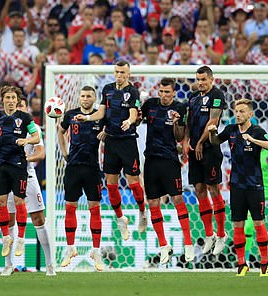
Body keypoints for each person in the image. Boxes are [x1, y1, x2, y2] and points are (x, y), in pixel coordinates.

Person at [76, 60, 146, 240]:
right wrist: (87, 117)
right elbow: (101, 112)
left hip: (128, 142)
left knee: (133, 182)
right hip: (111, 142)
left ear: (128, 74)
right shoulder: (107, 89)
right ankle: (121, 218)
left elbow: (132, 112)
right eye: (117, 72)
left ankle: (142, 212)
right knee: (111, 184)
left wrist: (130, 122)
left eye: (123, 72)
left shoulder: (132, 91)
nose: (119, 75)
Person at [208, 99, 268, 277]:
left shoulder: (257, 131)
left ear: (250, 114)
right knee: (237, 225)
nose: (238, 114)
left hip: (255, 186)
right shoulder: (231, 130)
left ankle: (264, 265)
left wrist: (253, 140)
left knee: (258, 224)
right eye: (236, 111)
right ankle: (241, 265)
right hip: (237, 186)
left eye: (241, 111)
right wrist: (212, 133)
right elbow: (216, 142)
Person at [0, 85, 40, 258]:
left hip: (19, 165)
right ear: (2, 100)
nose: (10, 101)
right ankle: (6, 238)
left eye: (13, 98)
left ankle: (21, 238)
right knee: (1, 202)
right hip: (2, 164)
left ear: (17, 101)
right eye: (8, 98)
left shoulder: (25, 117)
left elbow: (37, 137)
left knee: (19, 202)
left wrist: (26, 141)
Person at [0, 98, 55, 276]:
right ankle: (8, 265)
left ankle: (50, 264)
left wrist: (22, 161)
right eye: (16, 105)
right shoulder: (2, 125)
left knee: (38, 219)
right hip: (8, 176)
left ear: (26, 109)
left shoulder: (33, 128)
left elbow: (41, 152)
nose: (18, 108)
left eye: (21, 105)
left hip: (27, 175)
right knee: (9, 220)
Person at [140, 78, 194, 264]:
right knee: (153, 202)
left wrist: (178, 123)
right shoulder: (150, 105)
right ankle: (164, 245)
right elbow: (139, 119)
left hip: (170, 160)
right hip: (151, 160)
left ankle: (188, 243)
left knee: (177, 198)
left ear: (173, 93)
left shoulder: (179, 109)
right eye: (161, 92)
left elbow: (179, 137)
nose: (163, 95)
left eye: (167, 92)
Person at [56, 86, 105, 270]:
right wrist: (63, 151)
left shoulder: (99, 117)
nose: (85, 98)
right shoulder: (70, 115)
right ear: (79, 97)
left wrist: (106, 133)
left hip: (93, 168)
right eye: (83, 95)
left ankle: (96, 250)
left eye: (89, 96)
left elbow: (110, 130)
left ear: (94, 98)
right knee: (70, 208)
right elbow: (60, 131)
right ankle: (70, 248)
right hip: (73, 167)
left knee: (95, 209)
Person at [186, 66, 228, 255]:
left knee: (213, 188)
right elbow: (188, 122)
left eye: (204, 79)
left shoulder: (217, 95)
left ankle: (221, 234)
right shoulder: (193, 98)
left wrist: (201, 142)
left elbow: (213, 122)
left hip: (210, 148)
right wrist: (187, 141)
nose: (200, 82)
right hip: (195, 149)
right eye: (198, 79)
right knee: (199, 190)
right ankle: (209, 234)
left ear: (211, 79)